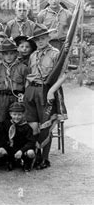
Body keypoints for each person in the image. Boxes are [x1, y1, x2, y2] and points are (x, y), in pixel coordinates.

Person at [24, 24, 59, 169]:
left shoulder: (56, 53)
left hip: (45, 90)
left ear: (49, 37)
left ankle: (44, 159)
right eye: (37, 39)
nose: (40, 41)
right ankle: (35, 154)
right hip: (31, 90)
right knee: (33, 124)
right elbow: (29, 74)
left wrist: (52, 91)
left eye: (43, 38)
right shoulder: (33, 55)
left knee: (45, 124)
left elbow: (63, 74)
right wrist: (26, 91)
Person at [0, 39, 28, 122]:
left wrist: (23, 96)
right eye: (5, 54)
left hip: (17, 96)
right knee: (1, 120)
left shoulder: (23, 68)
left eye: (11, 53)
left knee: (18, 119)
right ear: (1, 55)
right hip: (3, 97)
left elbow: (27, 85)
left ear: (16, 54)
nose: (8, 56)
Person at [4, 102, 36, 172]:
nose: (17, 117)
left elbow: (31, 142)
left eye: (19, 115)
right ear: (10, 114)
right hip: (11, 148)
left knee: (30, 152)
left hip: (22, 149)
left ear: (23, 114)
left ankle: (27, 163)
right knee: (2, 150)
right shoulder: (6, 124)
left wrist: (22, 150)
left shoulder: (27, 127)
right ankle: (10, 162)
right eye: (14, 114)